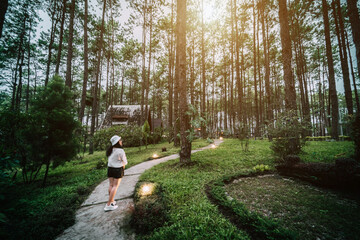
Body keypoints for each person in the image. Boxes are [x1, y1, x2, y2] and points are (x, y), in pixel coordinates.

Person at [104, 135, 128, 211]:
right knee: (115, 186)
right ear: (117, 142)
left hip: (110, 169)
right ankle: (108, 204)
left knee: (111, 185)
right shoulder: (121, 151)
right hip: (117, 169)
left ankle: (111, 201)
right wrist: (123, 166)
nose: (121, 142)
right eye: (120, 140)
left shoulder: (110, 150)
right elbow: (125, 162)